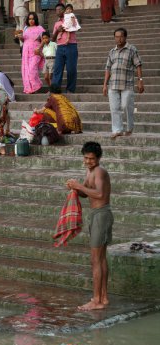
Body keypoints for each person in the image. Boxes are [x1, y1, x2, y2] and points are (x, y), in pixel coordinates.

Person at [66, 142, 114, 311]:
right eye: (86, 158)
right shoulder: (89, 171)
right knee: (100, 259)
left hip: (101, 214)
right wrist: (75, 188)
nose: (88, 161)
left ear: (99, 158)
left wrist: (79, 186)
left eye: (92, 159)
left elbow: (100, 193)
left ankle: (97, 301)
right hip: (96, 215)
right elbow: (86, 193)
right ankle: (104, 297)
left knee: (96, 260)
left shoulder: (100, 172)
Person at [103, 28, 144, 138]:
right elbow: (108, 68)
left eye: (121, 36)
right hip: (113, 84)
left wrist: (140, 80)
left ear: (125, 37)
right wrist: (105, 84)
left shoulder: (132, 49)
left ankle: (129, 128)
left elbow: (138, 65)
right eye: (116, 37)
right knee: (114, 108)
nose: (119, 39)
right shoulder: (112, 51)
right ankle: (117, 130)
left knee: (126, 106)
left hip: (127, 83)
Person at [52, 3, 78, 94]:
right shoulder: (56, 23)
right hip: (60, 47)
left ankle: (70, 89)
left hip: (71, 45)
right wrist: (58, 31)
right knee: (57, 69)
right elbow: (52, 39)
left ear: (65, 10)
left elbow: (76, 27)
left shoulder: (71, 18)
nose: (58, 11)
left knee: (71, 69)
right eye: (57, 10)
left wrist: (66, 25)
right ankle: (55, 90)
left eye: (60, 10)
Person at [19, 12, 45, 94]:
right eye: (29, 19)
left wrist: (39, 48)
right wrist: (20, 38)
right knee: (26, 70)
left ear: (36, 19)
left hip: (35, 52)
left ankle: (37, 86)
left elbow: (44, 39)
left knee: (32, 70)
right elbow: (24, 40)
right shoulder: (26, 28)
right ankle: (30, 88)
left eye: (33, 19)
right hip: (26, 52)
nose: (31, 20)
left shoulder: (40, 28)